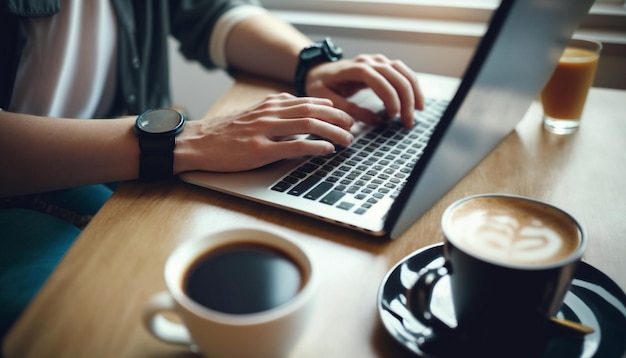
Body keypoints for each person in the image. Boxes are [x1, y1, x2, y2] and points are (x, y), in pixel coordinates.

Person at [0, 0, 424, 338]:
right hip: (22, 195)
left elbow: (209, 12)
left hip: (123, 156)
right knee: (107, 323)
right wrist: (187, 141)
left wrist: (311, 65)